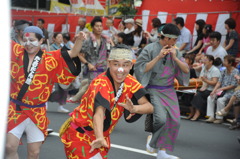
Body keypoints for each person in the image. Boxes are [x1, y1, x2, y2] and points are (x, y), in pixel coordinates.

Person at [60, 45, 154, 159]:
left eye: (125, 65)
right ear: (109, 63)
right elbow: (99, 113)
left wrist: (134, 109)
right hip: (81, 135)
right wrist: (99, 137)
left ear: (131, 66)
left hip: (101, 137)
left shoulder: (130, 81)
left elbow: (149, 107)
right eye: (116, 64)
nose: (121, 69)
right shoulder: (101, 83)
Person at [6, 26, 85, 159]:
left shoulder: (50, 58)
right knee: (9, 147)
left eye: (32, 40)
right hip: (16, 109)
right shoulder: (16, 51)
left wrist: (80, 40)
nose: (28, 44)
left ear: (41, 40)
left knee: (34, 152)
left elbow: (72, 53)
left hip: (37, 112)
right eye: (25, 40)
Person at [134, 23, 190, 159]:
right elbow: (140, 69)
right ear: (166, 38)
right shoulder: (150, 48)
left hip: (169, 89)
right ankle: (153, 143)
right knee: (161, 120)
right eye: (174, 39)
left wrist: (176, 58)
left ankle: (162, 152)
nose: (175, 42)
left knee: (175, 121)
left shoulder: (175, 51)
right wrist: (158, 57)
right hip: (154, 89)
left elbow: (186, 70)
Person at [68, 16, 112, 103]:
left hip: (103, 69)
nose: (99, 28)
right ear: (92, 27)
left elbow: (108, 54)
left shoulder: (105, 40)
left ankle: (79, 100)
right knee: (92, 90)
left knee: (100, 91)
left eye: (100, 26)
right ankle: (79, 100)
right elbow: (78, 54)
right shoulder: (87, 40)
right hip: (91, 69)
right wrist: (88, 64)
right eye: (97, 26)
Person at [206, 55, 238, 124]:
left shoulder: (235, 71)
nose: (223, 62)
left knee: (220, 100)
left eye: (225, 61)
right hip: (221, 90)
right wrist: (214, 90)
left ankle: (219, 118)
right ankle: (211, 116)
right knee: (210, 97)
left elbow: (233, 85)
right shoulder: (223, 71)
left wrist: (221, 88)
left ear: (230, 63)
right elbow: (219, 82)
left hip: (230, 91)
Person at [190, 55, 221, 121]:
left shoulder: (215, 70)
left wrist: (206, 80)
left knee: (199, 95)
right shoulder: (204, 67)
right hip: (203, 87)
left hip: (211, 89)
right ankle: (192, 112)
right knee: (190, 93)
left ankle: (197, 113)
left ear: (211, 62)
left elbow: (214, 83)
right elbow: (200, 79)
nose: (203, 62)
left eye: (205, 60)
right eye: (203, 60)